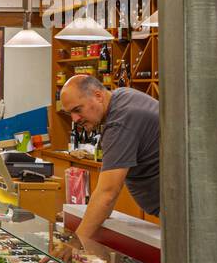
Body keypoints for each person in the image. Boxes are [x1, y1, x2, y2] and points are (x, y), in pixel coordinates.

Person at [58, 75, 161, 252]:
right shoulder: (122, 96)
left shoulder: (120, 122)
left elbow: (107, 194)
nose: (75, 119)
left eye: (78, 109)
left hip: (184, 211)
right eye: (70, 113)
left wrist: (75, 243)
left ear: (98, 95)